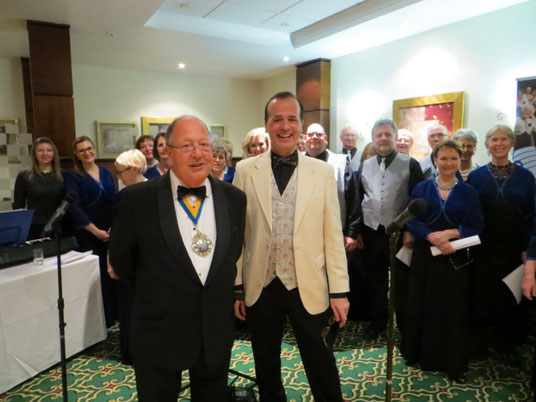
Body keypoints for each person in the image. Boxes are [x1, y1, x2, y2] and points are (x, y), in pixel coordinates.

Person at [109, 116, 246, 401]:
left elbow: (231, 254)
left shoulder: (235, 198)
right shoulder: (137, 200)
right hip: (159, 328)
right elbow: (123, 264)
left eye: (203, 145)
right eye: (186, 146)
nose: (198, 154)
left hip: (214, 329)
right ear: (167, 153)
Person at [233, 92, 350, 402]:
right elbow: (239, 235)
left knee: (320, 359)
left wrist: (339, 291)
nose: (284, 126)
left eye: (291, 119)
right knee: (265, 361)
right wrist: (238, 288)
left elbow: (332, 235)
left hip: (308, 283)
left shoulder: (322, 171)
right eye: (277, 119)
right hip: (261, 283)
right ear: (266, 125)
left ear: (301, 125)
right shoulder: (245, 170)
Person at [403, 139, 483, 381]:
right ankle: (423, 356)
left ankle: (451, 361)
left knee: (453, 310)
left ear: (459, 161)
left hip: (455, 259)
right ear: (435, 161)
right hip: (426, 258)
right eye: (443, 158)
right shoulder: (422, 188)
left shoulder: (469, 192)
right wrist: (430, 236)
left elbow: (478, 225)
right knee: (424, 306)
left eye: (453, 158)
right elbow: (411, 220)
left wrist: (450, 234)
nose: (448, 163)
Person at [468, 125, 536, 363]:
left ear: (511, 143)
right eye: (494, 139)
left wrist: (528, 249)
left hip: (513, 248)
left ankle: (507, 345)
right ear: (487, 145)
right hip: (482, 247)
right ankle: (479, 345)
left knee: (508, 298)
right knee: (481, 296)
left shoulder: (526, 177)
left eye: (503, 139)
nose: (499, 143)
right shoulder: (475, 177)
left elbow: (531, 215)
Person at [357, 119, 424, 340]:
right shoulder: (365, 164)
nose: (383, 139)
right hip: (372, 230)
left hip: (400, 232)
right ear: (373, 139)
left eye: (387, 135)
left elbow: (417, 199)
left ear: (395, 138)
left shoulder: (410, 163)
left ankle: (404, 324)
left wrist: (410, 229)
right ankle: (378, 319)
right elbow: (359, 198)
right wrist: (356, 230)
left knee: (401, 280)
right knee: (374, 279)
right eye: (379, 135)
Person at [64, 136, 118, 327]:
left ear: (94, 149)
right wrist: (96, 232)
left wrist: (114, 227)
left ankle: (114, 315)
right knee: (97, 277)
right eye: (82, 150)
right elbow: (74, 208)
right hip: (88, 232)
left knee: (112, 273)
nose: (87, 152)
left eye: (89, 148)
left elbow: (115, 200)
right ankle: (101, 320)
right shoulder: (72, 176)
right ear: (76, 155)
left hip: (111, 231)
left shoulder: (105, 171)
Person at [110, 148, 148, 364]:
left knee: (131, 307)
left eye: (121, 171)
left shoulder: (127, 195)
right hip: (135, 258)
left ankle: (132, 352)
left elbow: (118, 233)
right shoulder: (153, 188)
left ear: (135, 169)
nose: (119, 177)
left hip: (132, 259)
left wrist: (114, 261)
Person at [12, 137, 65, 240]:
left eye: (49, 150)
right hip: (34, 229)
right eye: (40, 150)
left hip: (60, 227)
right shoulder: (24, 176)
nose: (45, 154)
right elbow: (18, 206)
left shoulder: (63, 175)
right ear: (34, 154)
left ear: (54, 153)